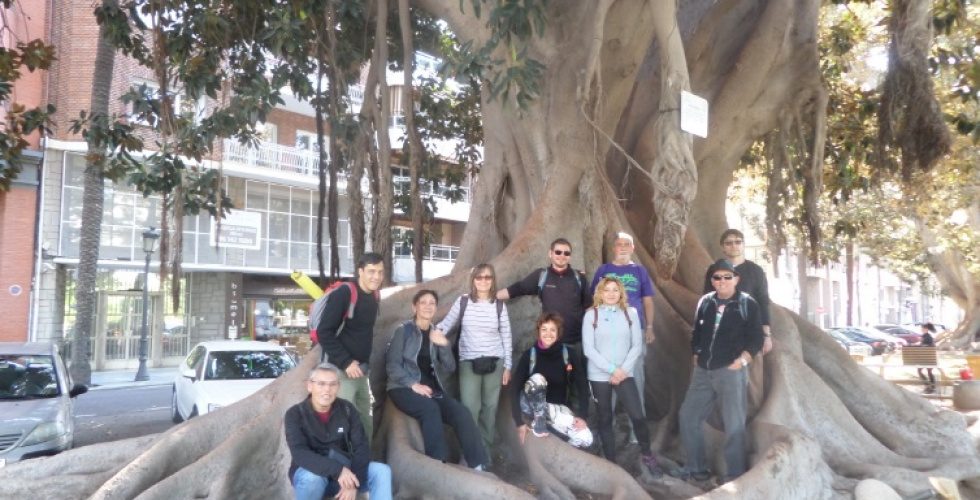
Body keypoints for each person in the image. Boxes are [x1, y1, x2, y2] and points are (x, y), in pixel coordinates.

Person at [672, 259, 765, 483]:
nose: (722, 281)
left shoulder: (747, 303)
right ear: (712, 281)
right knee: (688, 416)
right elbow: (697, 332)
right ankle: (696, 468)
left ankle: (735, 474)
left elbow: (756, 337)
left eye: (727, 277)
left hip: (730, 370)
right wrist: (697, 352)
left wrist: (742, 361)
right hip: (703, 370)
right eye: (717, 277)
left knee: (733, 423)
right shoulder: (705, 302)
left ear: (736, 279)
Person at [386, 289, 489, 470]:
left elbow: (449, 367)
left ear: (435, 308)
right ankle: (437, 463)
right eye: (423, 302)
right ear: (414, 306)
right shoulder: (404, 331)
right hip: (402, 388)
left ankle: (477, 463)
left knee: (461, 412)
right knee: (430, 409)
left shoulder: (436, 333)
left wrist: (444, 345)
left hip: (431, 389)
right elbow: (392, 365)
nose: (427, 306)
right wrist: (413, 384)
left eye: (431, 303)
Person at [582, 277, 662, 476]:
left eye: (614, 290)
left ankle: (647, 454)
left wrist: (622, 371)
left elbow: (636, 345)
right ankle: (611, 463)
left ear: (620, 294)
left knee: (637, 415)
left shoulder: (630, 313)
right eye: (607, 290)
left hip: (625, 374)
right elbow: (588, 349)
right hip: (600, 375)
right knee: (605, 418)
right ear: (600, 293)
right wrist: (611, 369)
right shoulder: (592, 315)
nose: (611, 293)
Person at [434, 264, 512, 454]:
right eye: (479, 277)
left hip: (495, 361)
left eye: (487, 277)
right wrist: (430, 332)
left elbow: (507, 336)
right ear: (473, 280)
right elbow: (446, 324)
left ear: (493, 280)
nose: (483, 281)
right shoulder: (463, 302)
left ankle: (485, 453)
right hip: (469, 362)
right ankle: (469, 453)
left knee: (490, 408)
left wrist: (508, 366)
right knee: (470, 409)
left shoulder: (499, 305)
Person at [285, 362, 392, 500]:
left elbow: (361, 446)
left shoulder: (347, 409)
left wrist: (353, 482)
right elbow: (300, 453)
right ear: (309, 386)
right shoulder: (295, 414)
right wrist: (339, 470)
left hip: (346, 472)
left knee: (381, 471)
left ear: (338, 387)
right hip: (312, 474)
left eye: (332, 384)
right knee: (313, 478)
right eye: (321, 384)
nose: (327, 389)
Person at [318, 252, 384, 438]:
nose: (376, 276)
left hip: (362, 373)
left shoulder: (375, 295)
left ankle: (364, 464)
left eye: (380, 272)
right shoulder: (344, 294)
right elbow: (324, 332)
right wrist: (346, 362)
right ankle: (343, 466)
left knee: (365, 422)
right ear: (360, 271)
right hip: (340, 371)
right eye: (371, 271)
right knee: (342, 423)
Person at [590, 233, 656, 409]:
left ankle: (637, 427)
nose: (624, 247)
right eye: (619, 244)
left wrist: (649, 327)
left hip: (634, 329)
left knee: (636, 375)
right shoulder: (603, 270)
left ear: (633, 248)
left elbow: (647, 300)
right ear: (613, 249)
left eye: (627, 244)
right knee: (608, 374)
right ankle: (608, 425)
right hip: (606, 331)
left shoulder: (640, 271)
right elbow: (594, 300)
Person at [510, 312, 592, 448]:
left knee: (586, 438)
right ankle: (539, 423)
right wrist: (519, 422)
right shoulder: (529, 355)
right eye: (544, 329)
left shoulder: (568, 354)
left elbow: (582, 385)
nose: (548, 334)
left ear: (558, 332)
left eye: (552, 330)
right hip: (531, 406)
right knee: (538, 379)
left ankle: (562, 448)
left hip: (555, 410)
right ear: (538, 332)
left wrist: (582, 416)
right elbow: (514, 388)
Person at [497, 238, 592, 350]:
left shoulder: (579, 278)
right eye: (558, 252)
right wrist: (490, 296)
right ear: (550, 253)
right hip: (550, 340)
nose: (562, 256)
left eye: (566, 253)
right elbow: (518, 288)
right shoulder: (541, 276)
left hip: (576, 341)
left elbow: (589, 308)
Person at [702, 229, 773, 355]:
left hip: (750, 330)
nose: (734, 245)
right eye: (729, 243)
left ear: (743, 244)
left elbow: (763, 302)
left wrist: (766, 335)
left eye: (738, 242)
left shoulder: (756, 271)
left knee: (752, 371)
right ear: (723, 247)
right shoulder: (714, 270)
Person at [918, 323, 937, 394]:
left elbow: (925, 346)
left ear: (926, 329)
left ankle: (930, 386)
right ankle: (930, 386)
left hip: (928, 358)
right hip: (928, 358)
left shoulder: (927, 337)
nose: (921, 330)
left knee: (924, 371)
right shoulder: (926, 337)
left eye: (922, 328)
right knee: (927, 371)